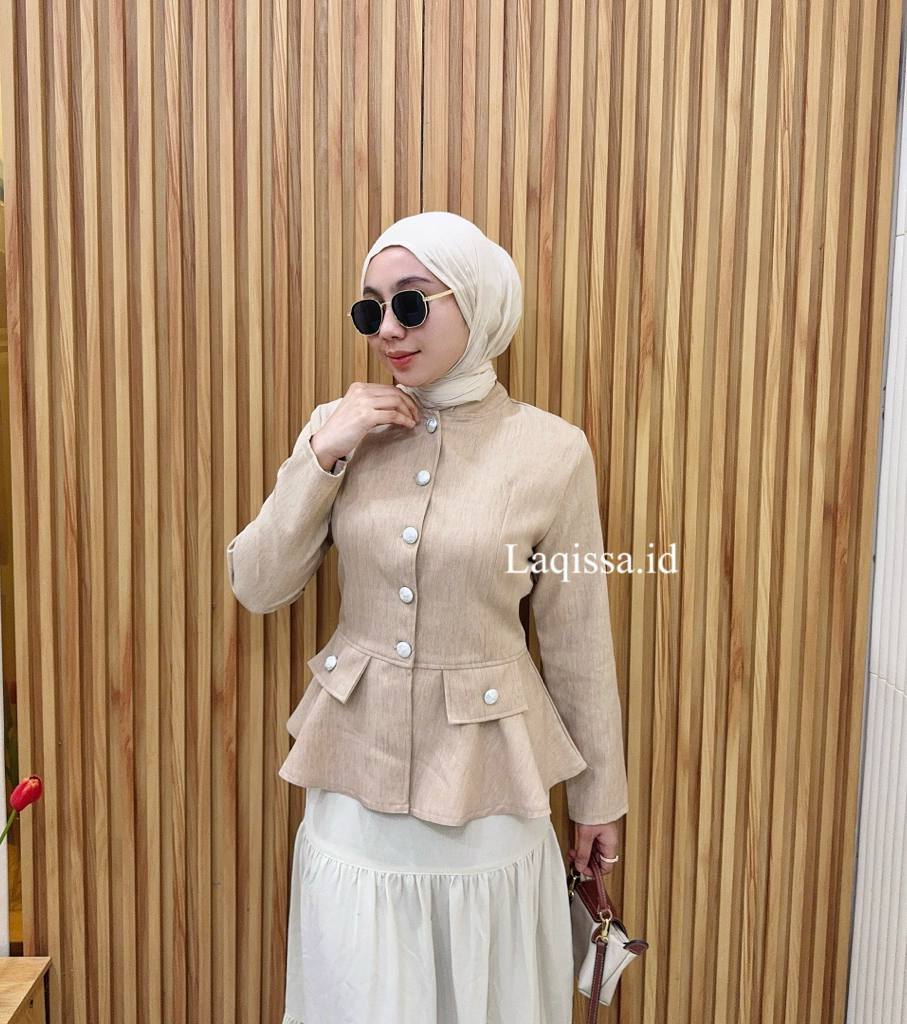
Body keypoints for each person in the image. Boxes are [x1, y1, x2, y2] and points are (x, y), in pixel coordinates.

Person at [226, 211, 629, 1024]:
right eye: (370, 309)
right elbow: (257, 585)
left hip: (492, 799)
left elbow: (578, 637)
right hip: (355, 794)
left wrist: (599, 797)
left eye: (410, 303)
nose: (387, 329)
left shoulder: (554, 451)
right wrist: (326, 451)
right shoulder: (338, 430)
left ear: (474, 300)